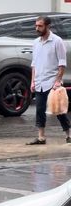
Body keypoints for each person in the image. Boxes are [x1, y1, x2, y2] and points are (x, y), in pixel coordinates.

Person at [27, 15, 71, 145]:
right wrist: (32, 81)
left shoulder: (57, 41)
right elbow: (34, 64)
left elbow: (62, 64)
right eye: (36, 26)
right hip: (39, 82)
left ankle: (68, 134)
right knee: (39, 109)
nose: (37, 28)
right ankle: (41, 137)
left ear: (47, 26)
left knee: (59, 110)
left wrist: (58, 81)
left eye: (40, 26)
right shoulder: (36, 43)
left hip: (52, 82)